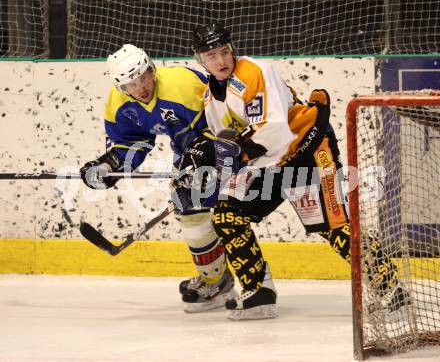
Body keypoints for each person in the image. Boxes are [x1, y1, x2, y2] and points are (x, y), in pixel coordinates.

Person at [190, 22, 409, 320]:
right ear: (200, 60)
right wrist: (211, 157)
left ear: (232, 50)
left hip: (305, 150)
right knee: (228, 214)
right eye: (212, 56)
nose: (221, 61)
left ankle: (393, 291)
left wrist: (236, 153)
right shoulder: (209, 97)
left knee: (334, 226)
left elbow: (276, 131)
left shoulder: (255, 72)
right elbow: (228, 140)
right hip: (269, 162)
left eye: (224, 52)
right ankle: (259, 293)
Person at [79, 44, 237, 313]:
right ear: (121, 88)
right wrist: (109, 165)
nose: (141, 88)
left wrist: (204, 156)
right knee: (189, 209)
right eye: (131, 85)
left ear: (152, 70)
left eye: (143, 78)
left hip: (225, 143)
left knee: (235, 209)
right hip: (187, 152)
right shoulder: (119, 106)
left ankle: (257, 281)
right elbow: (130, 144)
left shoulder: (182, 84)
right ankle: (216, 281)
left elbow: (225, 120)